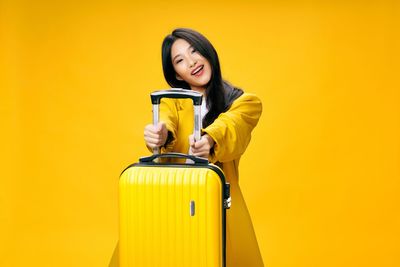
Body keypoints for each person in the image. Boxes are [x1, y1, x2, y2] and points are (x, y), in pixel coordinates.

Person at [144, 28, 264, 267]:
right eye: (180, 60)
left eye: (195, 51)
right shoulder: (171, 102)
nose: (191, 62)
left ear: (208, 52)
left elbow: (232, 126)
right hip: (172, 202)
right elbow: (166, 121)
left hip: (220, 204)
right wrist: (159, 134)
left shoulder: (246, 103)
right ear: (176, 74)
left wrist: (209, 140)